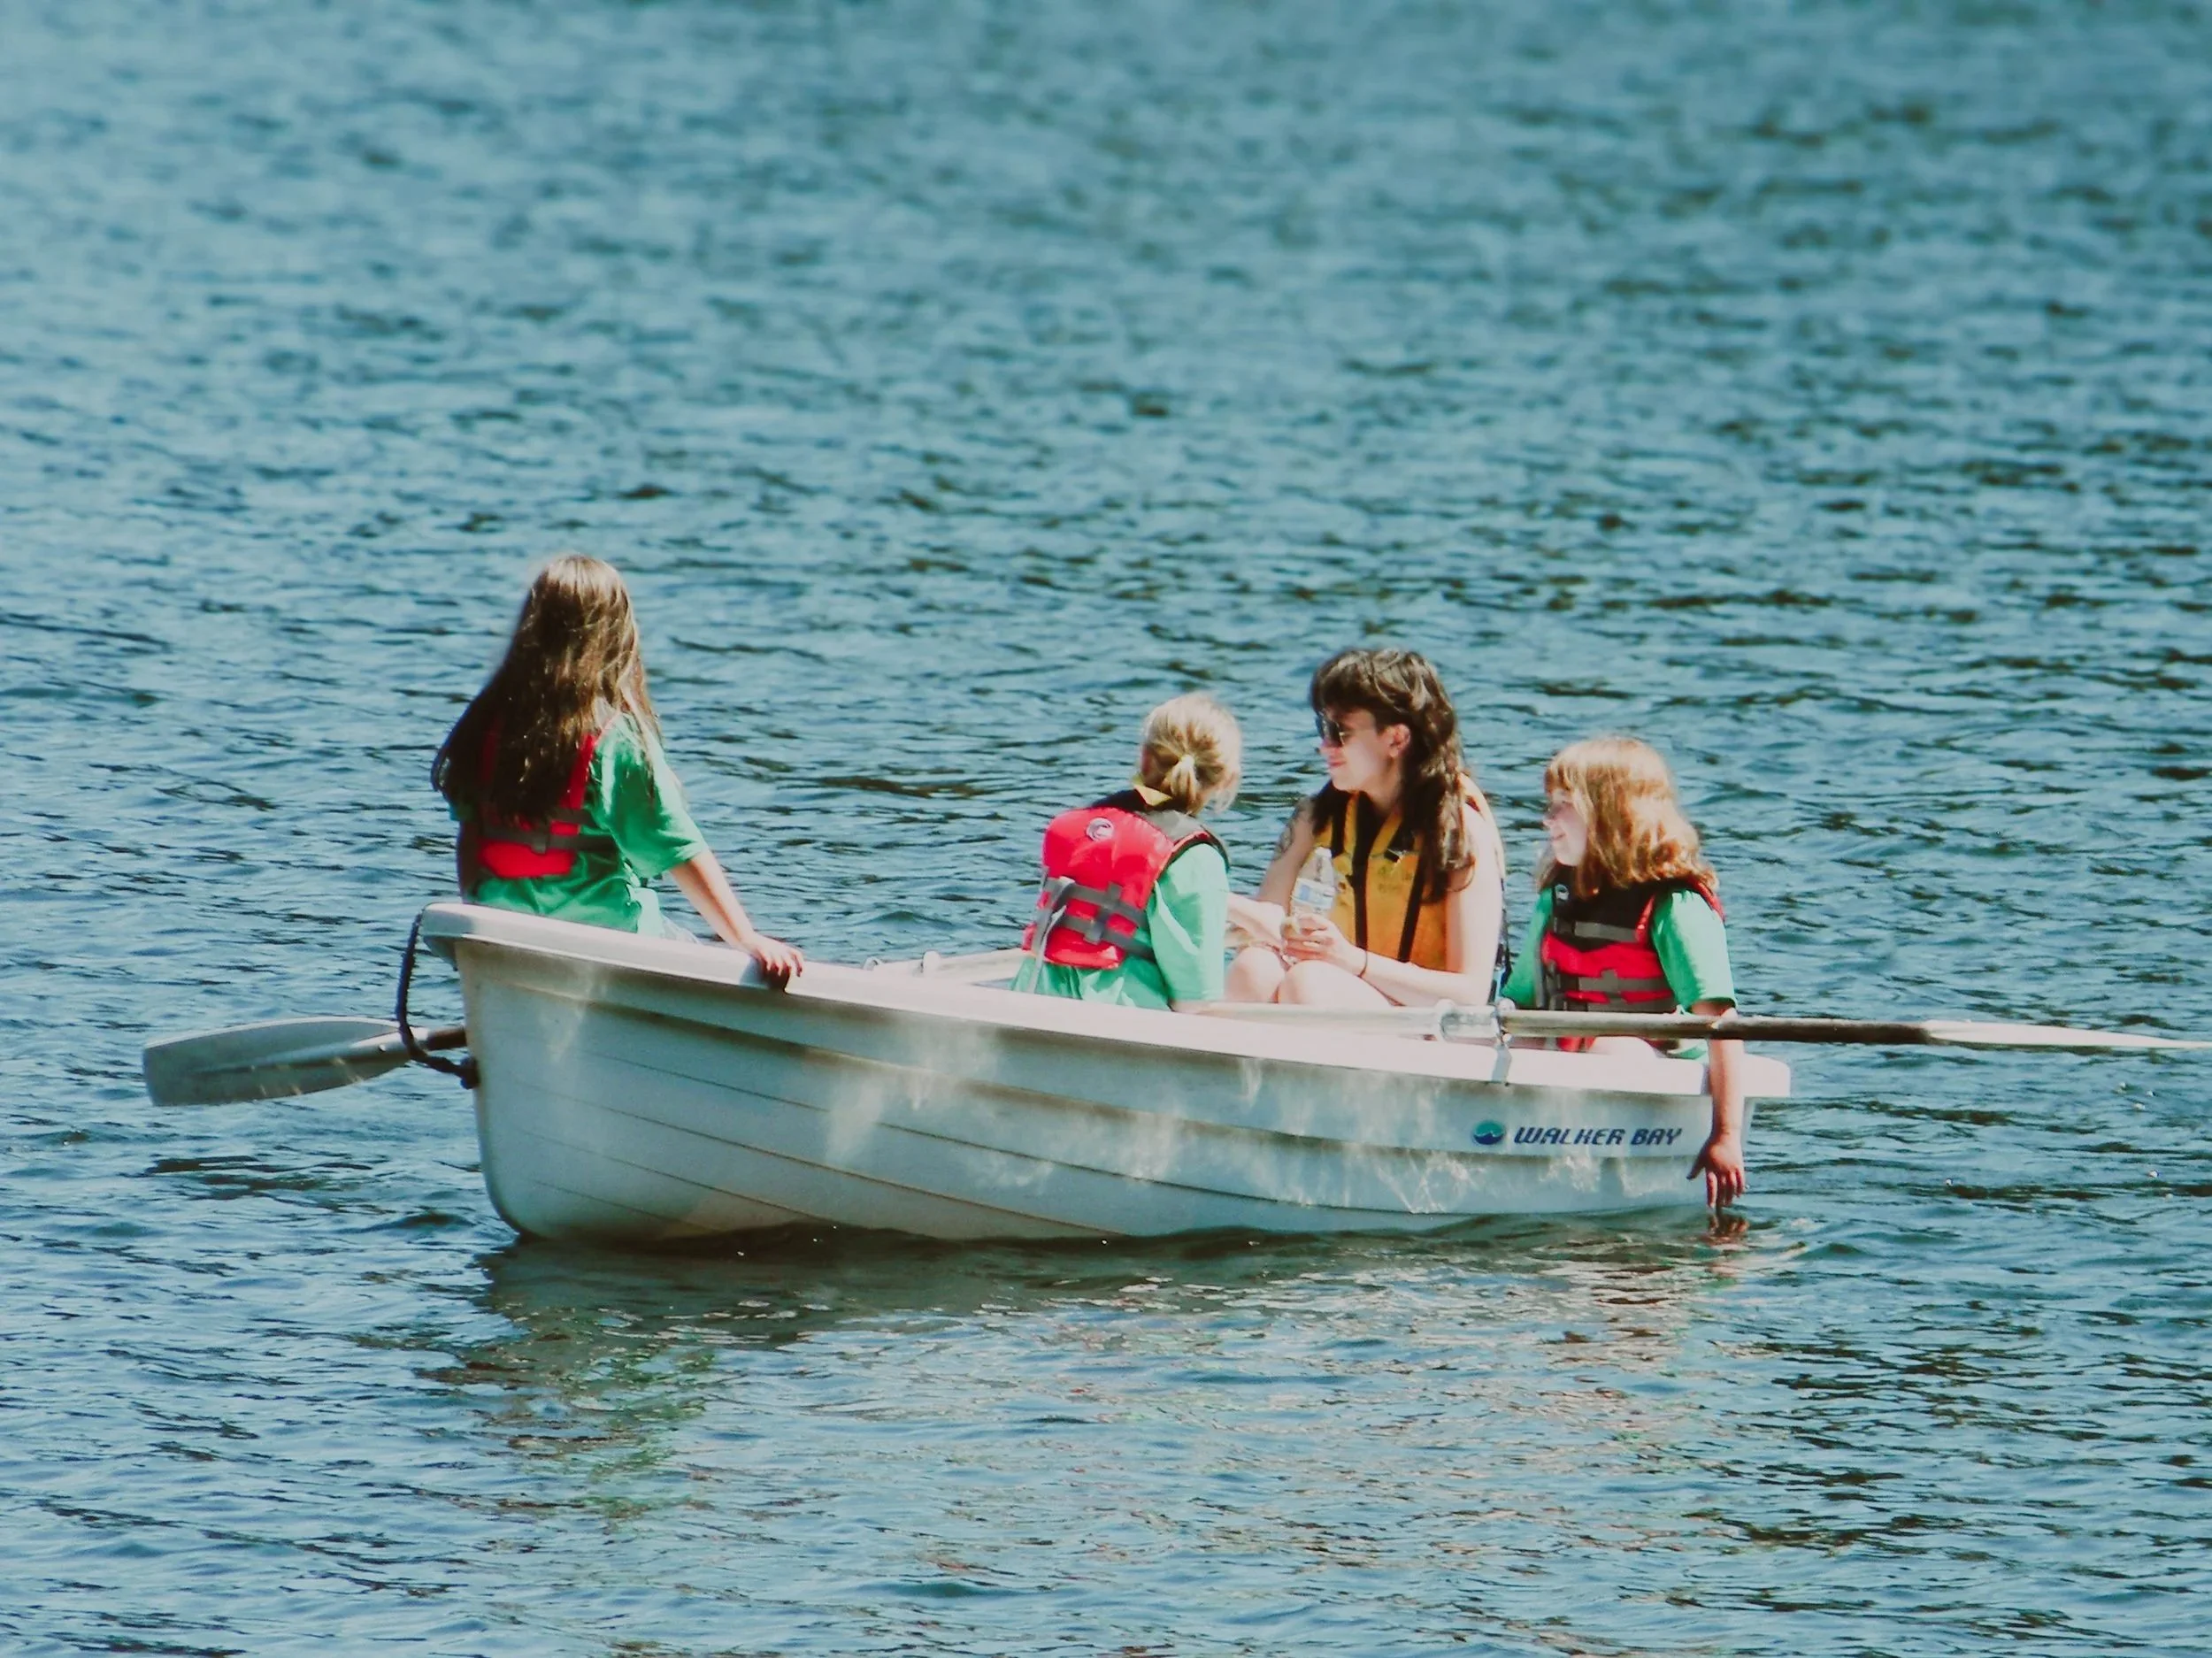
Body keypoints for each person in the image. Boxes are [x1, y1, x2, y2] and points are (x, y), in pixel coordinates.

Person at [432, 554, 803, 985]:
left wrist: (478, 924)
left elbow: (471, 841)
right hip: (608, 939)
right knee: (697, 952)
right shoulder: (614, 741)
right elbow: (677, 849)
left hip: (507, 935)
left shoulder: (484, 731)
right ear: (613, 636)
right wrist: (745, 938)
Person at [1496, 736, 1745, 1208]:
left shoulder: (1674, 905)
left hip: (1645, 1072)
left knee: (1614, 1047)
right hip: (1565, 1068)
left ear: (1611, 817)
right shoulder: (1557, 898)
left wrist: (1725, 1134)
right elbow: (1520, 1000)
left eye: (1563, 806)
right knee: (1498, 1036)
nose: (1547, 820)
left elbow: (1722, 1027)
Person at [1225, 649, 1506, 1009]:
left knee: (1310, 983)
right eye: (1321, 728)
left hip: (1429, 1022)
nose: (1323, 746)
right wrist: (1212, 897)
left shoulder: (1462, 833)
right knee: (1254, 969)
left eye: (1338, 732)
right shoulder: (1315, 818)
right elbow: (1269, 918)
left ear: (1396, 739)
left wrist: (1353, 961)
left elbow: (1470, 992)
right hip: (1343, 990)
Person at [1014, 694, 1241, 1009]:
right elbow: (1194, 999)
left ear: (1145, 757)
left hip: (1034, 996)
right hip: (1122, 1018)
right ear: (1225, 779)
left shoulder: (1078, 828)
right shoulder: (1193, 856)